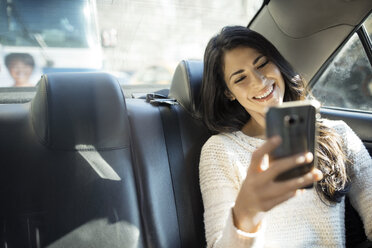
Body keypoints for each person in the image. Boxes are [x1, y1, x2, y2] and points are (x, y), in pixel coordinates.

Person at [199, 26, 372, 247]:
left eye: (262, 64)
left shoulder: (338, 133)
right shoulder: (220, 150)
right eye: (240, 78)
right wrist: (246, 215)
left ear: (277, 63)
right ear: (228, 93)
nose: (260, 81)